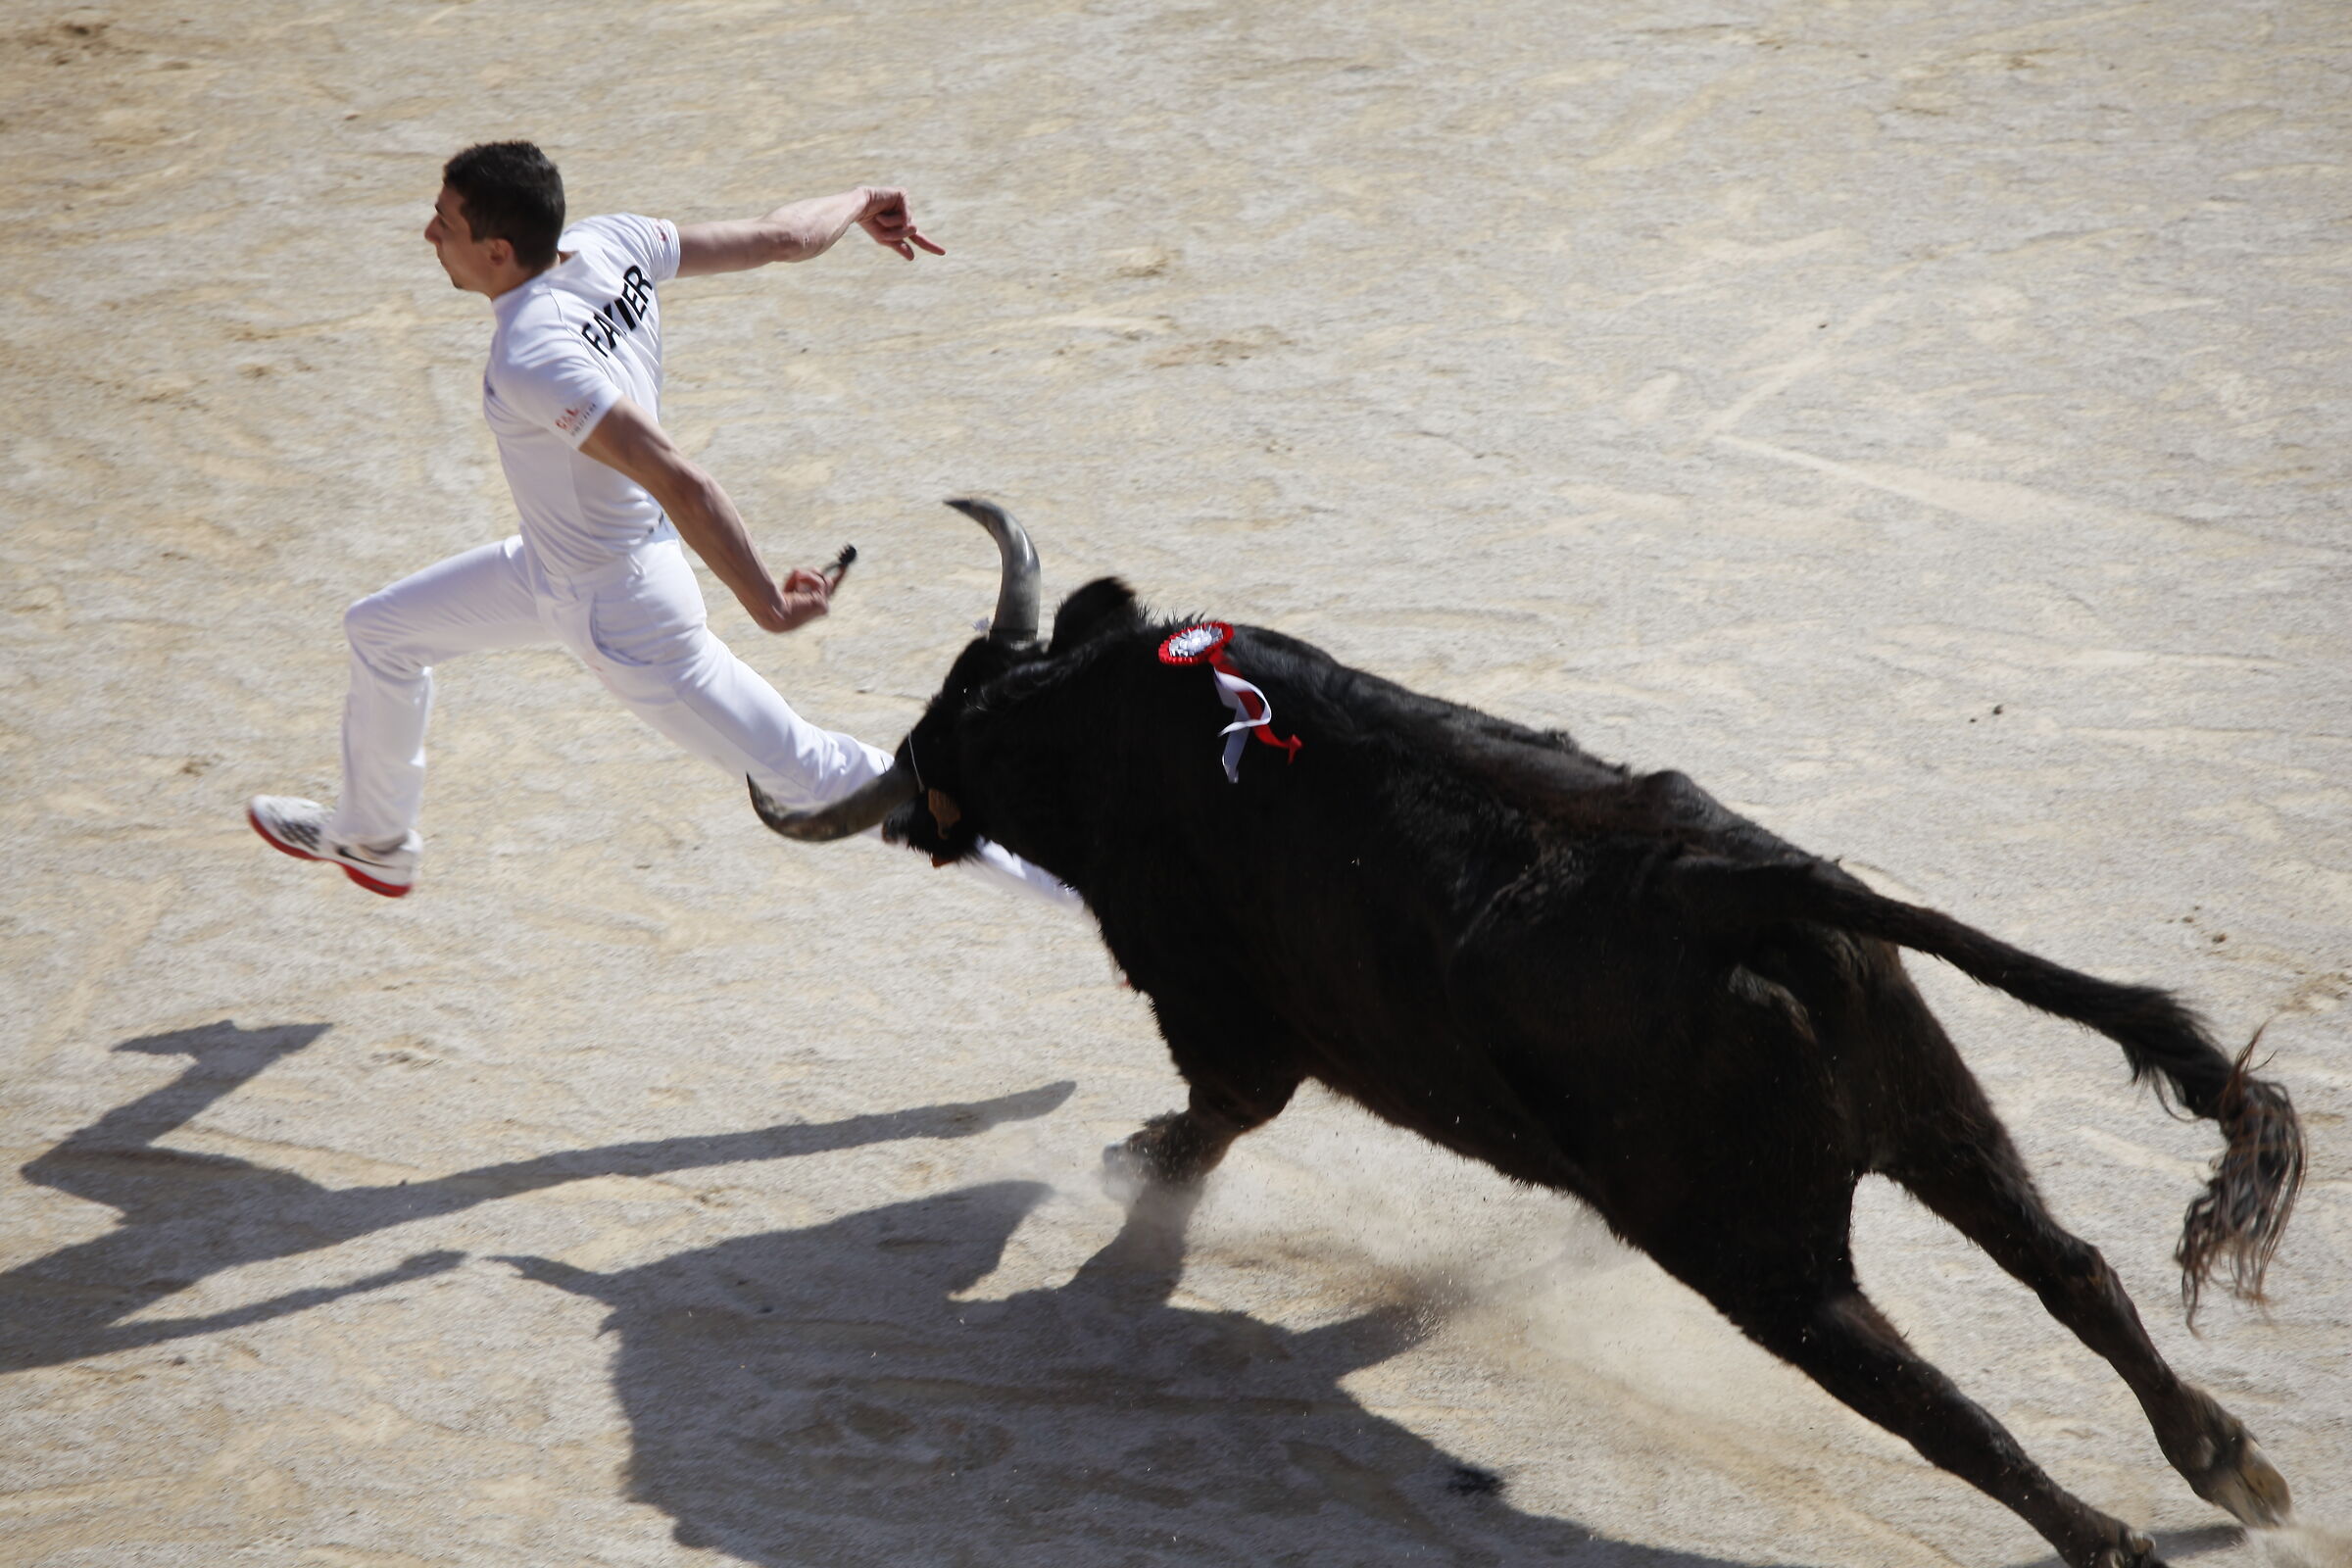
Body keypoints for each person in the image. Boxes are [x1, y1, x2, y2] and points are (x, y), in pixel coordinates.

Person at [247, 141, 1067, 904]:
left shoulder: (532, 353)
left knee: (838, 780)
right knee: (382, 631)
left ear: (498, 251)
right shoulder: (611, 242)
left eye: (446, 223)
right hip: (550, 568)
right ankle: (373, 837)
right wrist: (858, 200)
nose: (429, 232)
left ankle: (1083, 884)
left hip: (623, 616)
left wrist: (769, 607)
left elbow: (677, 476)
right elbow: (781, 237)